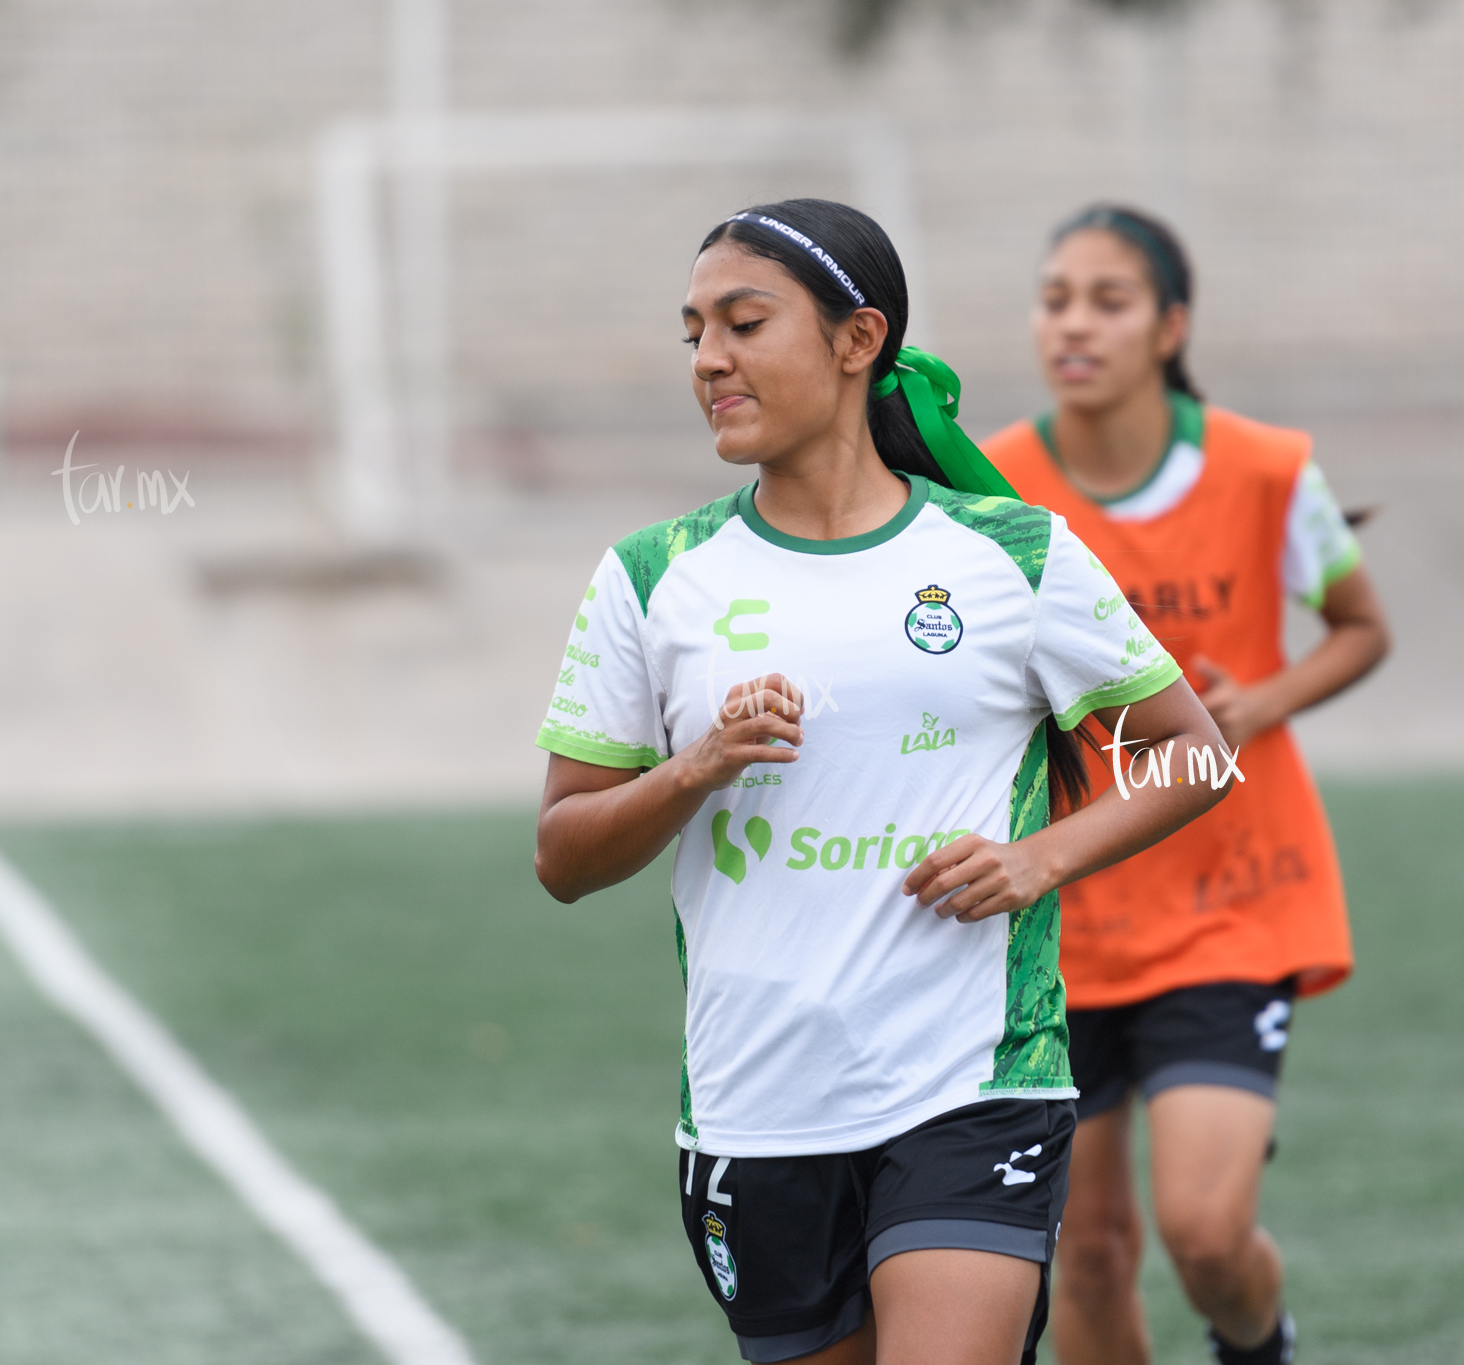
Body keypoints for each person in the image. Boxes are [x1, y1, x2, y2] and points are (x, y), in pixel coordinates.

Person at [533, 198, 1238, 1365]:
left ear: (857, 342)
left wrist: (1038, 859)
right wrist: (695, 768)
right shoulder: (652, 577)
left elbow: (1194, 754)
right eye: (694, 333)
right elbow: (563, 856)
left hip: (974, 1084)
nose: (709, 359)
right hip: (756, 1107)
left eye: (744, 324)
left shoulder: (1009, 554)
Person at [979, 206, 1392, 1365]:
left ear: (1170, 327)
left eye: (1106, 300)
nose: (1072, 322)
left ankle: (1258, 1343)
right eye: (1054, 296)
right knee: (1093, 1253)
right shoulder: (991, 487)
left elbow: (1360, 628)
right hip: (1067, 914)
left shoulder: (1266, 469)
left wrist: (1261, 701)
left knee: (1205, 1236)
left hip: (1232, 902)